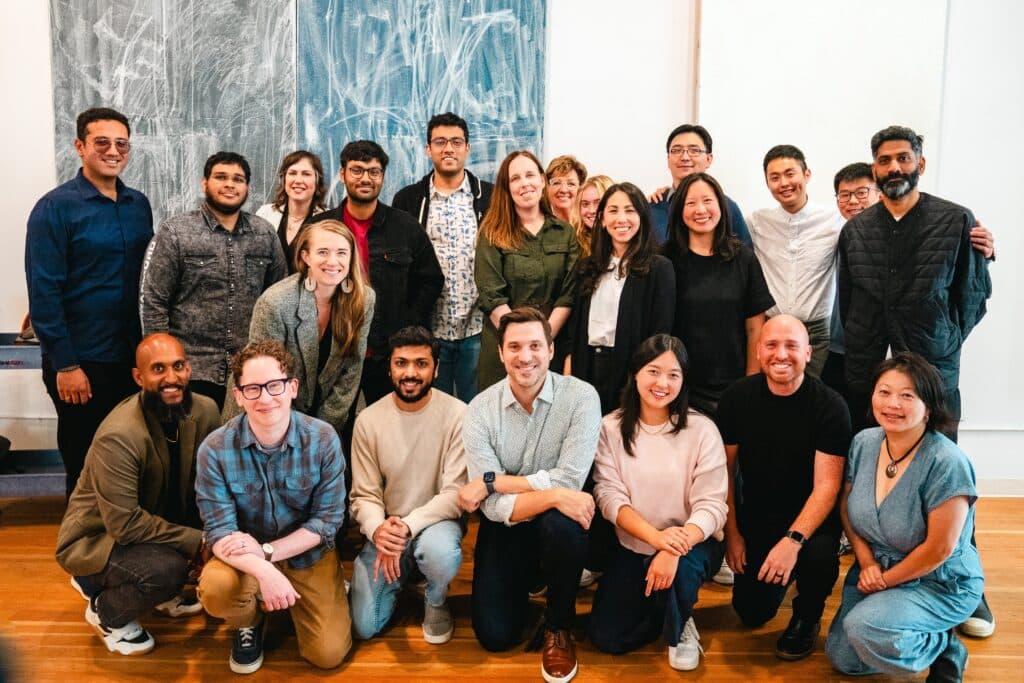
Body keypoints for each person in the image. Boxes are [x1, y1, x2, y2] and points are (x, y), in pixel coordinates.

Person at [839, 125, 994, 638]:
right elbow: (850, 301)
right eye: (884, 161)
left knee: (946, 483)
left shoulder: (955, 221)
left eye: (902, 159)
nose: (893, 169)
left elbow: (972, 296)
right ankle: (892, 568)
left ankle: (964, 581)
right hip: (870, 377)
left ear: (920, 164)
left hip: (933, 376)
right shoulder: (857, 229)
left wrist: (942, 342)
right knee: (878, 481)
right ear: (875, 167)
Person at [459, 307, 601, 683]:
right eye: (515, 347)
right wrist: (550, 495)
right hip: (508, 522)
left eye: (535, 345)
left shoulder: (582, 397)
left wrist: (495, 481)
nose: (526, 356)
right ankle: (529, 579)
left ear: (551, 350)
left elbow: (570, 478)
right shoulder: (479, 411)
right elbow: (490, 508)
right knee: (494, 636)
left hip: (558, 525)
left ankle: (559, 624)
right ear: (501, 353)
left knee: (563, 525)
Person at [55, 333, 220, 655]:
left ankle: (162, 590)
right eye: (158, 369)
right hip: (99, 537)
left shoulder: (206, 410)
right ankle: (104, 610)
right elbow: (124, 524)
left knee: (196, 548)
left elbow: (210, 484)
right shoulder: (119, 435)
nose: (171, 378)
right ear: (138, 377)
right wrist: (197, 542)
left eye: (178, 366)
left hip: (154, 518)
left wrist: (217, 534)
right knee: (167, 571)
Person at [825, 353, 982, 682]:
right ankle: (928, 637)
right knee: (844, 658)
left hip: (938, 581)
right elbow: (846, 506)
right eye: (884, 392)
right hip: (877, 568)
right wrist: (867, 563)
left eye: (907, 395)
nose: (892, 403)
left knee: (864, 628)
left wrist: (884, 581)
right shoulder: (864, 442)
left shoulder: (946, 462)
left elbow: (939, 549)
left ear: (929, 405)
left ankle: (944, 646)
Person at [195, 340, 350, 673]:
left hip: (307, 553)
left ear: (292, 388)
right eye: (252, 389)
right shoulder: (215, 449)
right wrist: (264, 568)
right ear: (238, 396)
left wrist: (267, 552)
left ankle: (310, 594)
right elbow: (219, 530)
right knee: (216, 589)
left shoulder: (323, 439)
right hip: (243, 559)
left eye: (274, 386)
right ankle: (247, 621)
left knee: (328, 653)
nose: (265, 398)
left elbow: (327, 521)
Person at [26, 107, 153, 497]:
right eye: (102, 142)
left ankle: (126, 541)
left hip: (128, 357)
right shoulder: (55, 208)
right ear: (80, 147)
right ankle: (84, 546)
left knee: (129, 454)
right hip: (81, 360)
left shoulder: (138, 205)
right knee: (84, 458)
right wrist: (65, 364)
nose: (113, 151)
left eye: (121, 144)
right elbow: (43, 291)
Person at [588, 334, 727, 671]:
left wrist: (671, 549)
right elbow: (608, 496)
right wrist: (656, 540)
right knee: (607, 638)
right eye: (653, 371)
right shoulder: (610, 428)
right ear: (636, 373)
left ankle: (681, 620)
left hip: (693, 543)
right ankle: (669, 607)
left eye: (673, 375)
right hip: (636, 543)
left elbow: (713, 506)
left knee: (679, 573)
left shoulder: (702, 429)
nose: (662, 383)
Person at [716, 315, 851, 661]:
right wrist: (732, 534)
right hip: (759, 513)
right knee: (751, 613)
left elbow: (827, 487)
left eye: (791, 346)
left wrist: (793, 542)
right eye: (772, 345)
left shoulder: (831, 406)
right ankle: (779, 579)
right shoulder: (736, 399)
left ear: (808, 352)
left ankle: (807, 616)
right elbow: (725, 473)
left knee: (819, 557)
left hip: (811, 519)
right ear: (759, 351)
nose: (781, 354)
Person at [824, 160, 996, 400]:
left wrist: (983, 254)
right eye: (844, 195)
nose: (853, 201)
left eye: (862, 192)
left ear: (881, 192)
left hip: (912, 350)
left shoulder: (924, 231)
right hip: (846, 348)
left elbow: (953, 277)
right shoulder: (834, 230)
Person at [140, 151, 288, 409]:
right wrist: (163, 365)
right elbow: (154, 301)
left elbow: (279, 300)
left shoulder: (264, 234)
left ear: (247, 188)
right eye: (221, 177)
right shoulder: (176, 232)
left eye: (238, 179)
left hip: (249, 373)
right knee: (189, 446)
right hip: (191, 369)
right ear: (204, 183)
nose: (230, 184)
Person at [349, 326, 467, 644]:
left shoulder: (458, 415)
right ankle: (400, 578)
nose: (410, 373)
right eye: (401, 363)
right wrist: (378, 530)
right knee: (363, 625)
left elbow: (456, 494)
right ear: (389, 367)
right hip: (387, 530)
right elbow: (364, 494)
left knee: (439, 553)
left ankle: (436, 597)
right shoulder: (369, 420)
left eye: (421, 363)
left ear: (436, 369)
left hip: (435, 527)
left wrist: (407, 527)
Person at [309, 140, 444, 407]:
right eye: (357, 170)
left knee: (392, 425)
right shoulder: (320, 227)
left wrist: (407, 323)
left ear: (382, 177)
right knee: (332, 425)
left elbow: (431, 279)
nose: (365, 178)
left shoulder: (404, 226)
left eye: (374, 172)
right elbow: (301, 282)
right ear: (342, 173)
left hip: (386, 352)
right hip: (334, 349)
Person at [223, 220, 374, 438]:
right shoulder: (276, 302)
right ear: (306, 257)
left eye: (342, 252)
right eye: (323, 252)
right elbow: (263, 377)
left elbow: (351, 369)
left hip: (320, 419)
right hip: (261, 413)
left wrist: (321, 431)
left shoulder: (364, 299)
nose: (333, 261)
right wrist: (295, 435)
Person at [392, 112, 494, 401]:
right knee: (431, 411)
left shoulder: (489, 196)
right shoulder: (408, 199)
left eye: (456, 142)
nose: (448, 148)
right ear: (428, 149)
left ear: (467, 148)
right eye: (440, 142)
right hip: (429, 330)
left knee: (476, 410)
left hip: (477, 327)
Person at [662, 172, 774, 418]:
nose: (700, 209)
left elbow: (755, 327)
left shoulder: (743, 258)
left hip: (732, 384)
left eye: (708, 201)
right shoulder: (665, 259)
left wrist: (751, 383)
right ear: (680, 210)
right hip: (678, 383)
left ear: (721, 207)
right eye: (691, 203)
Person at [475, 151, 580, 391]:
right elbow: (492, 295)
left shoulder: (565, 233)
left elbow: (568, 294)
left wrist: (541, 342)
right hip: (503, 348)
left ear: (542, 180)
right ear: (506, 187)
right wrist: (520, 346)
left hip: (551, 346)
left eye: (530, 175)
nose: (525, 183)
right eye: (516, 178)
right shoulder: (491, 233)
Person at [568, 182, 675, 414]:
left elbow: (660, 331)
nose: (621, 218)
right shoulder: (588, 267)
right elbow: (575, 331)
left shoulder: (659, 268)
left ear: (642, 217)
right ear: (603, 220)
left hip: (631, 369)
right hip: (588, 366)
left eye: (630, 210)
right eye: (613, 211)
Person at [747, 145, 844, 378]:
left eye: (790, 174)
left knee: (812, 401)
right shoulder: (757, 221)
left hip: (816, 332)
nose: (783, 183)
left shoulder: (835, 219)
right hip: (771, 328)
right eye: (775, 177)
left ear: (806, 174)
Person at [648, 124, 752, 246]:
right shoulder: (652, 208)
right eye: (676, 150)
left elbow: (746, 258)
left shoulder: (727, 207)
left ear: (709, 159)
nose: (685, 157)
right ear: (668, 160)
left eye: (694, 150)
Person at [254, 150, 328, 273]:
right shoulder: (265, 214)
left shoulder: (327, 220)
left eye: (306, 174)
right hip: (268, 291)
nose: (298, 180)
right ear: (284, 179)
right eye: (292, 173)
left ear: (317, 180)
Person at [570, 174, 614, 257]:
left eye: (598, 203)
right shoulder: (573, 245)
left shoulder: (630, 242)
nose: (592, 210)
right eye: (585, 204)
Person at [545, 155, 587, 224]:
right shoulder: (537, 227)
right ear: (547, 188)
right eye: (556, 183)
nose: (563, 190)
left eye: (571, 184)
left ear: (580, 188)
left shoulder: (590, 225)